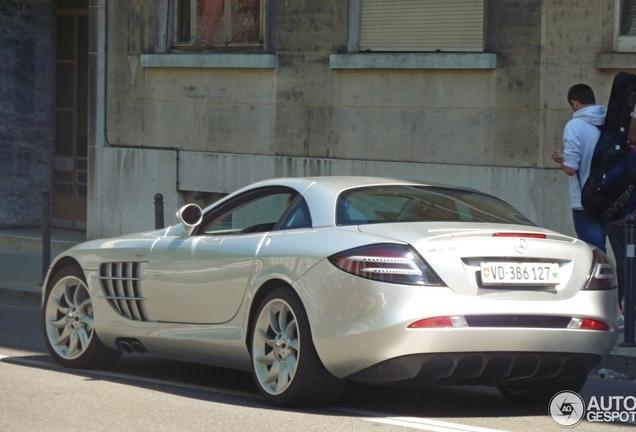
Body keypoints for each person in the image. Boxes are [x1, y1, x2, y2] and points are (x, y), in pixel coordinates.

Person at [551, 84, 609, 252]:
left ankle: (598, 279)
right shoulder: (607, 122)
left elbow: (570, 168)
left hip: (585, 199)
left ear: (575, 103)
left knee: (591, 250)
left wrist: (560, 157)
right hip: (607, 196)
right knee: (601, 247)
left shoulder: (575, 125)